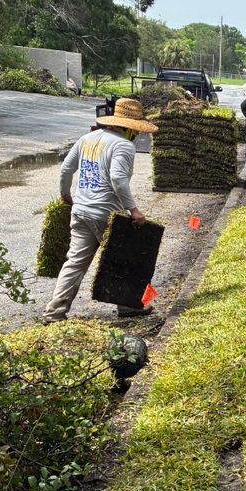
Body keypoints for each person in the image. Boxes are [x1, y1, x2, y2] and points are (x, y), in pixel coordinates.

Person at [43, 97, 158, 324]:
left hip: (80, 211)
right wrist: (133, 210)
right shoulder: (123, 145)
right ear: (128, 127)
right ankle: (127, 306)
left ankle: (54, 312)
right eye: (136, 130)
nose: (137, 134)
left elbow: (66, 169)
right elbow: (117, 178)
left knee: (75, 262)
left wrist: (65, 195)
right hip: (106, 214)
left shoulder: (87, 139)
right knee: (122, 259)